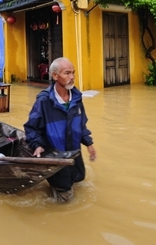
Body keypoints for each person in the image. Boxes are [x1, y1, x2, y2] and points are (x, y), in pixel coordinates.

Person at [23, 57, 97, 202]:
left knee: (79, 177)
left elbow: (81, 124)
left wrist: (89, 143)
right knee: (66, 198)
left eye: (73, 73)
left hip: (74, 152)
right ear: (55, 76)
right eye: (67, 73)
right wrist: (37, 145)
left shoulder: (76, 98)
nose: (72, 77)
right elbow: (31, 127)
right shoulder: (44, 101)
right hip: (56, 155)